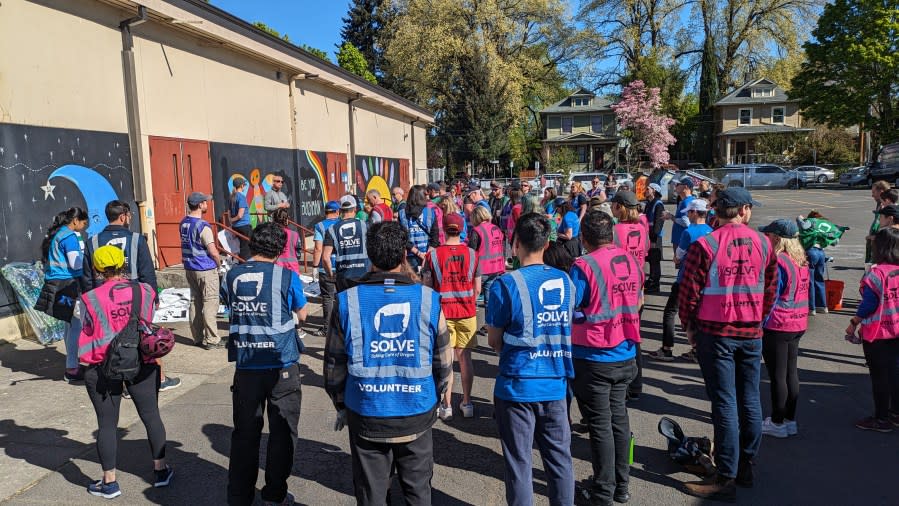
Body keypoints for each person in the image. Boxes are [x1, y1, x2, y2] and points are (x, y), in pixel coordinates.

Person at [324, 221, 452, 506]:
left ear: (371, 256)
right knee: (418, 493)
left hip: (366, 411)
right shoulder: (428, 300)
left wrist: (341, 404)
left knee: (372, 495)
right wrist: (438, 394)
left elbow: (334, 366)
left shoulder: (347, 301)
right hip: (416, 413)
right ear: (404, 256)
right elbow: (443, 362)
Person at [679, 188, 777, 501]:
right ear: (744, 210)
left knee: (724, 402)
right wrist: (756, 319)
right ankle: (745, 464)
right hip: (749, 332)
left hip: (715, 331)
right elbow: (770, 289)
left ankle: (726, 474)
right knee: (749, 398)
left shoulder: (705, 244)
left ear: (717, 212)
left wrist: (690, 329)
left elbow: (688, 293)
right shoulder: (764, 243)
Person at [487, 213, 575, 506]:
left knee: (519, 465)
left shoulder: (504, 284)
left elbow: (494, 340)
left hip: (517, 385)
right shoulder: (565, 281)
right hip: (555, 383)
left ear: (515, 245)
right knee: (560, 461)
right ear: (547, 243)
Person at [221, 222, 308, 506]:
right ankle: (274, 494)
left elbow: (227, 305)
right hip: (281, 363)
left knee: (244, 435)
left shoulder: (231, 275)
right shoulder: (287, 275)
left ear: (253, 245)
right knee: (282, 433)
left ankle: (239, 497)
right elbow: (303, 314)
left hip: (246, 365)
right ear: (281, 248)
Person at [76, 245, 173, 499]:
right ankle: (160, 471)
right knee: (151, 416)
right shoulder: (146, 291)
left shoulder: (90, 298)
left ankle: (109, 483)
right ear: (123, 264)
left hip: (103, 367)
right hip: (142, 361)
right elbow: (149, 318)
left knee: (107, 425)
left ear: (96, 268)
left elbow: (88, 336)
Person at [570, 210, 642, 505]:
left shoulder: (583, 265)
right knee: (619, 421)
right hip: (626, 350)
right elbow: (637, 300)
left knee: (600, 426)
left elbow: (571, 304)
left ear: (583, 238)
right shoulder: (630, 260)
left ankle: (603, 491)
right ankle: (621, 486)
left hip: (595, 354)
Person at [83, 200, 180, 392]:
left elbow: (87, 277)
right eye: (129, 216)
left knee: (109, 339)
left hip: (103, 300)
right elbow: (147, 273)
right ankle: (153, 379)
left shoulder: (92, 241)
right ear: (123, 216)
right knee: (142, 338)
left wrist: (90, 302)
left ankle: (117, 379)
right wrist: (154, 299)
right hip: (135, 298)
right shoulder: (137, 239)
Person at [424, 213, 480, 420]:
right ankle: (467, 402)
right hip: (467, 312)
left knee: (446, 361)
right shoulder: (473, 254)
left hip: (443, 314)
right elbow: (478, 288)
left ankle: (446, 406)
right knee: (465, 358)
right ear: (462, 228)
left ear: (443, 230)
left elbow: (427, 287)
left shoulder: (433, 256)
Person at [757, 219, 809, 438]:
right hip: (798, 322)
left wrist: (759, 322)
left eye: (768, 236)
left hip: (779, 323)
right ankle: (789, 419)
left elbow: (772, 295)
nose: (766, 239)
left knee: (777, 375)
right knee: (790, 373)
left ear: (777, 239)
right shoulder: (801, 261)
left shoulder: (779, 262)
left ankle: (777, 422)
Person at [845, 227, 899, 433]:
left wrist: (854, 322)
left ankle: (881, 418)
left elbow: (869, 304)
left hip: (878, 332)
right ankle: (896, 412)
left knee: (879, 376)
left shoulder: (877, 274)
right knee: (895, 372)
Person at [651, 198, 712, 362]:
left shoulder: (689, 233)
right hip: (704, 280)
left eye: (689, 213)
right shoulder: (711, 231)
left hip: (685, 279)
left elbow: (678, 257)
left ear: (694, 213)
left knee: (670, 312)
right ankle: (697, 349)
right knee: (697, 314)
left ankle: (667, 348)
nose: (688, 216)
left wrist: (679, 260)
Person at [35, 207, 89, 382]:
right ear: (75, 221)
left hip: (57, 284)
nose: (84, 227)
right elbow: (75, 263)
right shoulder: (69, 237)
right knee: (76, 326)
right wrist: (91, 262)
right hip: (67, 285)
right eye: (83, 223)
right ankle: (72, 369)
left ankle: (71, 364)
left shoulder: (58, 234)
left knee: (69, 324)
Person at [610, 190, 648, 399]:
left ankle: (622, 386)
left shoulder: (616, 230)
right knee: (635, 336)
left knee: (619, 337)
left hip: (620, 287)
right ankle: (636, 384)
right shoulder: (642, 229)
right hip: (638, 287)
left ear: (619, 207)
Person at [180, 192, 223, 350]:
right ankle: (212, 339)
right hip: (205, 268)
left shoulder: (183, 222)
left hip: (190, 267)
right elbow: (213, 251)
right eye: (205, 202)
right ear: (200, 205)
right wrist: (218, 264)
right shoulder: (203, 226)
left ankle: (197, 337)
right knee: (210, 302)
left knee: (194, 302)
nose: (207, 204)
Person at [323, 195, 371, 291]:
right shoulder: (365, 226)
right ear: (355, 209)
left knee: (345, 305)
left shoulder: (332, 230)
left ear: (340, 210)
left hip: (343, 276)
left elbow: (325, 257)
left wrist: (331, 274)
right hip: (364, 274)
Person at [312, 201, 341, 336]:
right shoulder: (343, 224)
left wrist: (315, 266)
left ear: (325, 212)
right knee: (343, 297)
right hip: (342, 266)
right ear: (337, 212)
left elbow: (318, 248)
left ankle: (327, 328)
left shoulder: (319, 226)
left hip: (326, 267)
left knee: (328, 298)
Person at [468, 206, 506, 307]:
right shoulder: (496, 228)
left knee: (472, 297)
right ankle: (489, 322)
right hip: (496, 267)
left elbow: (471, 251)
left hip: (481, 270)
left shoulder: (477, 230)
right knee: (489, 302)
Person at [398, 186, 440, 271]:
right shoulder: (430, 212)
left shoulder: (402, 213)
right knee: (427, 281)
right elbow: (435, 237)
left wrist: (418, 252)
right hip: (428, 253)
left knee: (412, 281)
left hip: (410, 254)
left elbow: (402, 238)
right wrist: (426, 255)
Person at [644, 183, 666, 292]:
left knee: (655, 260)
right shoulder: (649, 203)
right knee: (650, 260)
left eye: (648, 188)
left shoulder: (658, 204)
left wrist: (653, 239)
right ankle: (651, 280)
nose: (646, 190)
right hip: (649, 235)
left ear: (654, 190)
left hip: (655, 237)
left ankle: (655, 284)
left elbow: (658, 223)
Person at [666, 177, 695, 258]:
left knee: (681, 265)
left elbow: (686, 223)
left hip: (681, 240)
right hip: (681, 238)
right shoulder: (689, 200)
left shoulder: (686, 202)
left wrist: (671, 216)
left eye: (678, 184)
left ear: (685, 187)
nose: (675, 186)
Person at [866, 180, 890, 265]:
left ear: (881, 192)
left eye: (874, 192)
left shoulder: (886, 207)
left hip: (880, 243)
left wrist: (875, 237)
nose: (872, 195)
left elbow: (889, 227)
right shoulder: (880, 204)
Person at [272, 208, 303, 274]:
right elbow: (298, 253)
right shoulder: (294, 234)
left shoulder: (271, 234)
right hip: (293, 267)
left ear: (274, 219)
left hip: (277, 267)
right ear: (286, 219)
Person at [230, 177, 252, 260]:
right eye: (244, 185)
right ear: (242, 186)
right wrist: (233, 220)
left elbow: (229, 212)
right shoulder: (241, 197)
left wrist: (231, 221)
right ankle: (245, 265)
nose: (245, 187)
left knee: (240, 246)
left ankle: (240, 262)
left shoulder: (232, 196)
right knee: (246, 248)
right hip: (244, 226)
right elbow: (240, 215)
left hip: (236, 226)